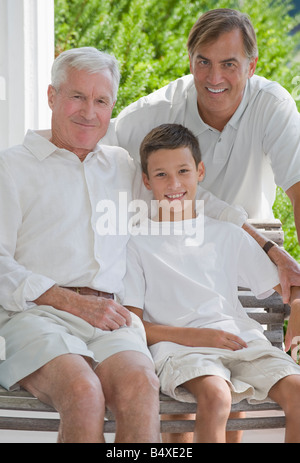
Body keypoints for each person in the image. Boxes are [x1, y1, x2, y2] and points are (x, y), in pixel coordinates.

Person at [0, 47, 161, 443]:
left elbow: (186, 203)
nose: (89, 112)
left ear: (111, 108)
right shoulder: (11, 167)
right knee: (83, 392)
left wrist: (266, 246)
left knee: (141, 386)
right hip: (34, 316)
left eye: (101, 100)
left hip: (110, 317)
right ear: (52, 97)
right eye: (77, 96)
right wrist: (70, 302)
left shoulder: (122, 165)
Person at [101, 8, 300, 304]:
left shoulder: (271, 106)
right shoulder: (158, 111)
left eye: (229, 64)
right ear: (191, 62)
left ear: (252, 66)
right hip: (171, 271)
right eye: (203, 61)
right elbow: (96, 150)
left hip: (246, 266)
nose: (214, 77)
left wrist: (296, 296)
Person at [121, 123, 300, 443]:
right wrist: (198, 336)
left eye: (183, 171)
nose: (174, 183)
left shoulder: (226, 234)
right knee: (217, 396)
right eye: (161, 175)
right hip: (179, 349)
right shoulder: (136, 242)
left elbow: (286, 286)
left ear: (199, 172)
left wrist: (297, 304)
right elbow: (134, 323)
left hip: (241, 342)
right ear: (146, 181)